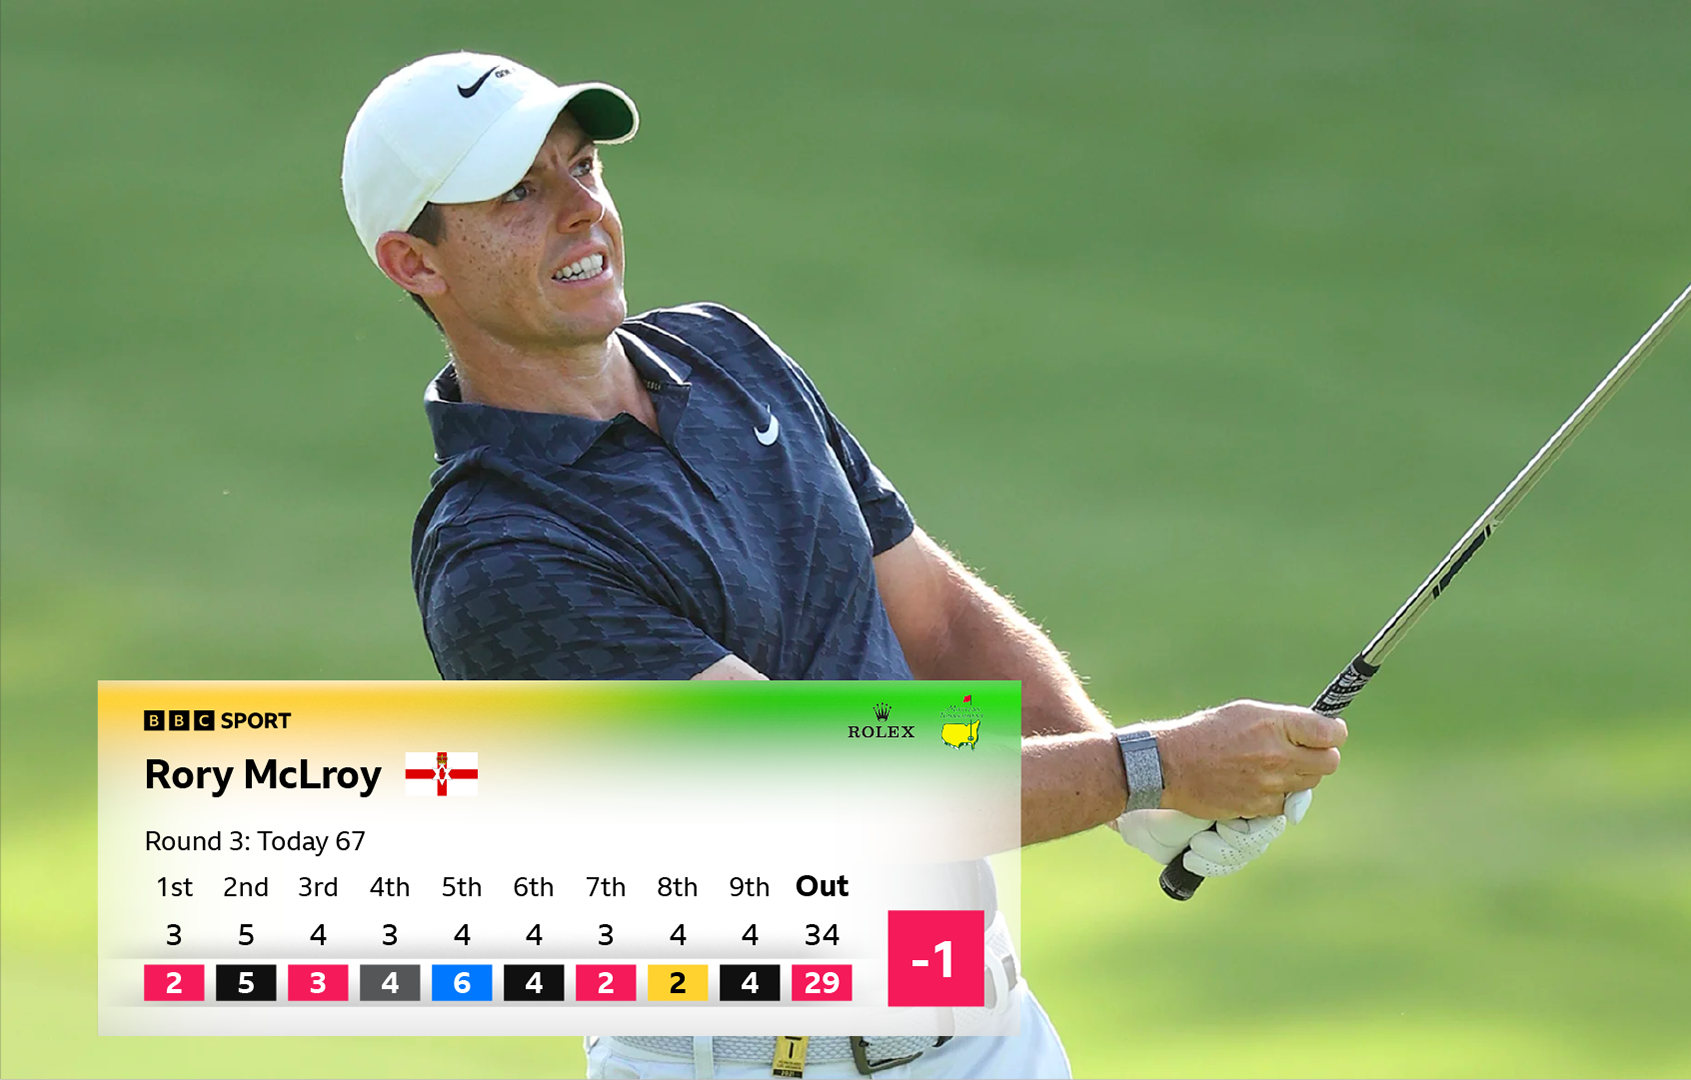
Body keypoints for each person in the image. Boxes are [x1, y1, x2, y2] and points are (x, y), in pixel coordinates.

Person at [343, 52, 1347, 1080]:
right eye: (519, 193)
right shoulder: (501, 557)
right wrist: (1152, 764)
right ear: (415, 263)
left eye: (583, 166)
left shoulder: (725, 354)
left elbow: (935, 617)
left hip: (987, 1031)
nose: (582, 211)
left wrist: (1135, 795)